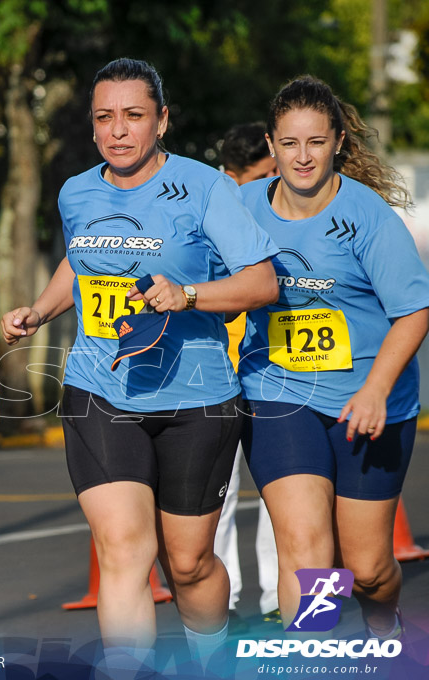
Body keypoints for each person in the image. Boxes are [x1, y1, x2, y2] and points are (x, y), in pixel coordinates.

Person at [1, 58, 279, 675]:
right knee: (125, 550)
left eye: (133, 116)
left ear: (162, 121)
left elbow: (261, 283)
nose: (118, 131)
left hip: (197, 396)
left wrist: (189, 295)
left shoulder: (207, 187)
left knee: (188, 564)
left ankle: (214, 660)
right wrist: (42, 310)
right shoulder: (77, 191)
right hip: (100, 388)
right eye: (105, 118)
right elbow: (79, 261)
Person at [238, 75, 429, 640]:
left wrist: (374, 389)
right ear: (270, 146)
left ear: (338, 141)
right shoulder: (242, 205)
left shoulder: (367, 217)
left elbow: (414, 312)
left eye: (315, 142)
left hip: (369, 401)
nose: (302, 157)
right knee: (306, 547)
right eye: (290, 143)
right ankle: (317, 657)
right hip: (279, 390)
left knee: (367, 569)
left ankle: (382, 625)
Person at [214, 122, 281, 629]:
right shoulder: (205, 214)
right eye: (262, 175)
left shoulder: (304, 211)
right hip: (214, 378)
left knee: (299, 499)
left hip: (288, 379)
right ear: (229, 177)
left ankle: (303, 609)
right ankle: (225, 602)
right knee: (212, 498)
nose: (274, 183)